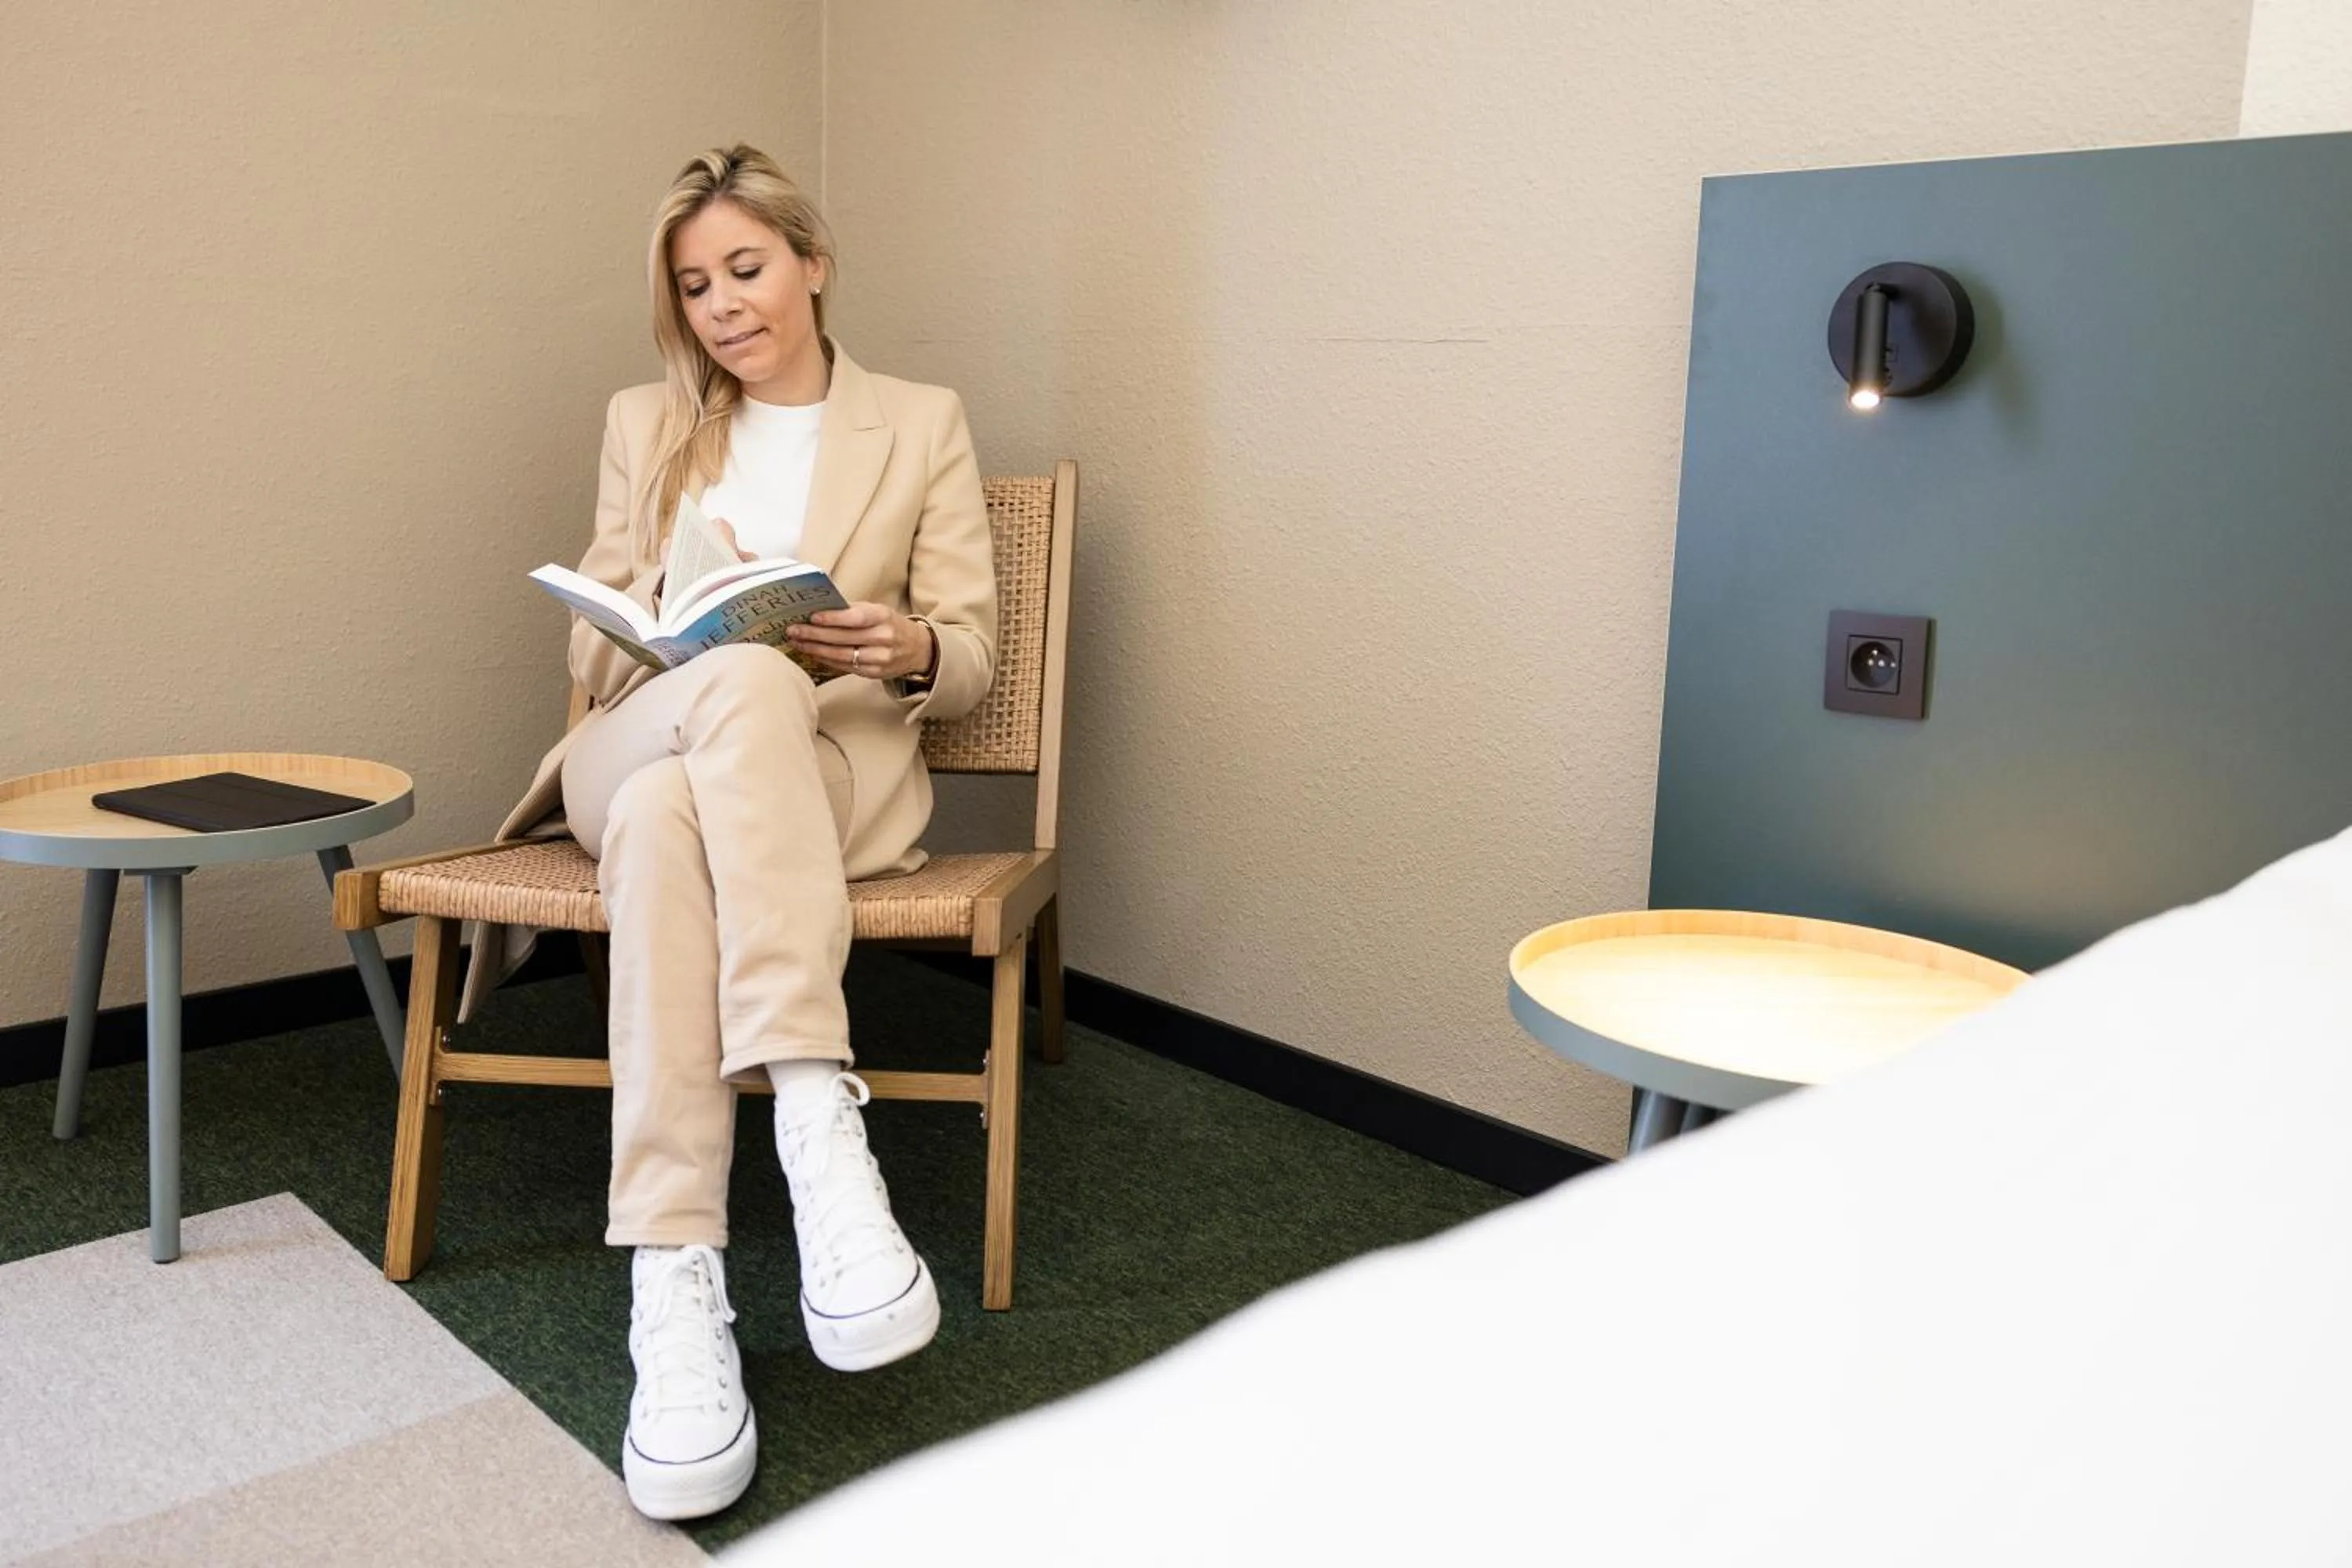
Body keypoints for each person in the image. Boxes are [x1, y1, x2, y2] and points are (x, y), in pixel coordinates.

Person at [458, 144, 998, 1521]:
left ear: (813, 262)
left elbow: (977, 650)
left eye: (745, 270)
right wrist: (644, 630)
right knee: (720, 694)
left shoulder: (922, 420)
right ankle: (818, 1120)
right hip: (639, 728)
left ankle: (673, 1276)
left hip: (808, 779)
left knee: (661, 821)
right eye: (694, 286)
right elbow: (598, 652)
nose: (720, 308)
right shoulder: (647, 422)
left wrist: (910, 642)